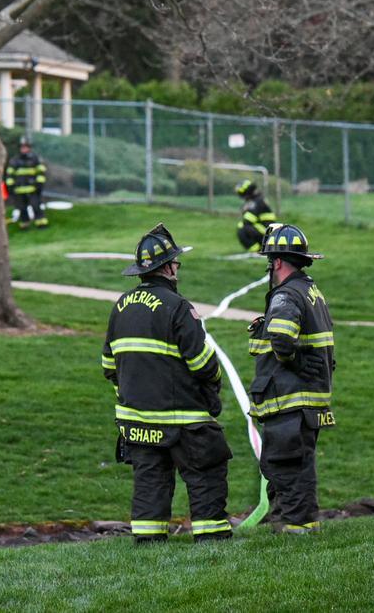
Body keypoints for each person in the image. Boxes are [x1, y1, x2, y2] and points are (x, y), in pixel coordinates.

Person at [102, 223, 233, 544]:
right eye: (176, 263)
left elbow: (109, 365)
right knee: (206, 474)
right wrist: (215, 384)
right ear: (169, 268)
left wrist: (130, 395)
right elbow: (202, 363)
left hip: (138, 421)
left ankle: (148, 542)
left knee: (150, 482)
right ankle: (212, 540)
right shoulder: (178, 307)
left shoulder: (120, 307)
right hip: (183, 419)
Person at [247, 223, 335, 534]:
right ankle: (294, 526)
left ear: (278, 262)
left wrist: (293, 360)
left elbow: (282, 340)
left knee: (289, 468)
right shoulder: (310, 292)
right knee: (296, 465)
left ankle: (298, 530)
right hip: (307, 399)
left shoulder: (286, 295)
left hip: (290, 398)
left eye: (270, 261)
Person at [3, 138, 48, 229]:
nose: (24, 149)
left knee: (36, 206)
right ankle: (24, 224)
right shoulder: (15, 160)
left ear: (29, 148)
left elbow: (41, 171)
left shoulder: (35, 159)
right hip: (19, 189)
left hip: (33, 188)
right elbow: (9, 174)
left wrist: (39, 184)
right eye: (22, 147)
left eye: (26, 147)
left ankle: (41, 223)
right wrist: (11, 186)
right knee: (22, 208)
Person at [235, 179, 276, 252]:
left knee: (243, 228)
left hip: (267, 230)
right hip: (264, 228)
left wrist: (245, 210)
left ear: (247, 192)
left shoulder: (257, 201)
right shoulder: (256, 200)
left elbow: (249, 220)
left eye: (242, 194)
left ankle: (260, 250)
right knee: (243, 226)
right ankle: (258, 250)